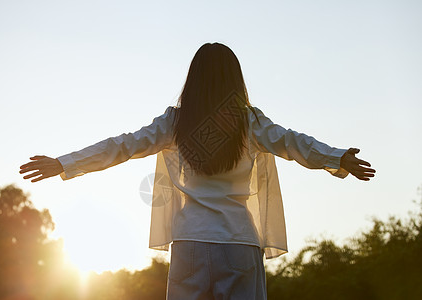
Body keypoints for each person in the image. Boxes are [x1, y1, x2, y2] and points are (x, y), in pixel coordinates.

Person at [19, 42, 375, 300]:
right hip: (238, 242)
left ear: (194, 79)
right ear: (235, 80)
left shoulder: (175, 122)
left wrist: (65, 163)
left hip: (190, 241)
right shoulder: (250, 122)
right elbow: (294, 143)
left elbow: (123, 145)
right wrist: (337, 157)